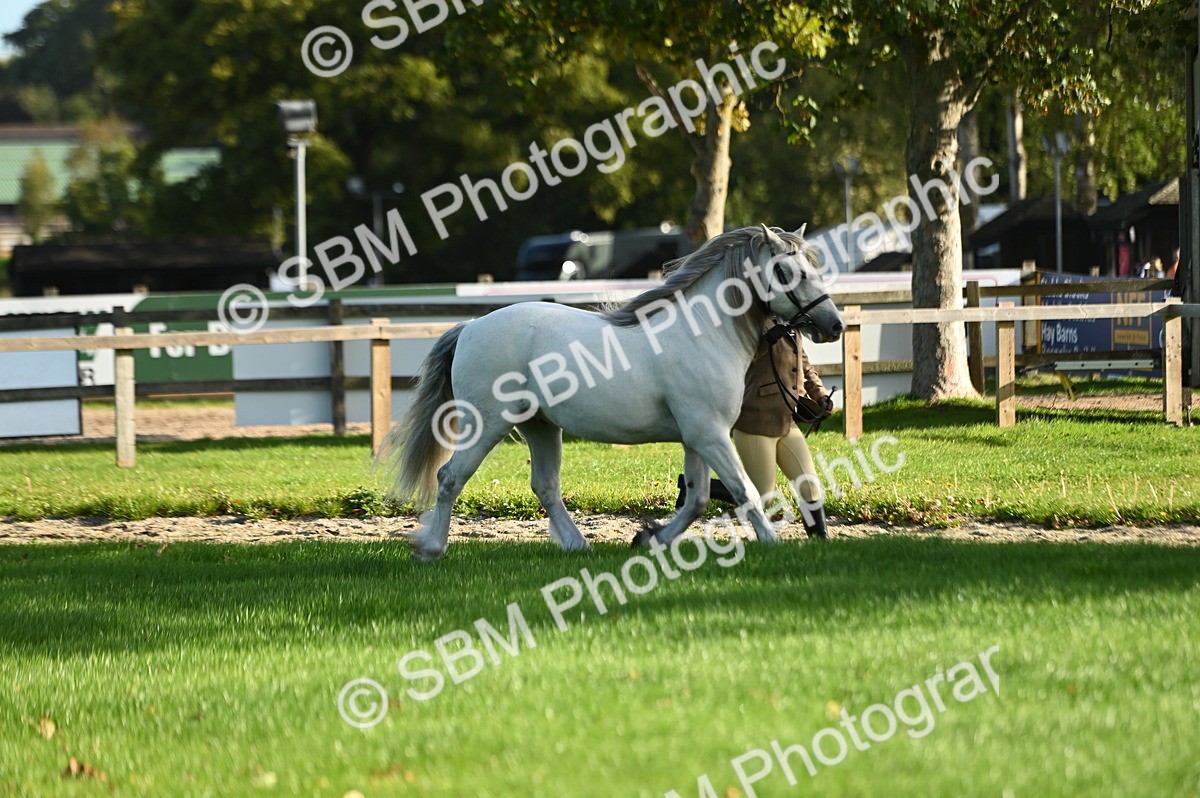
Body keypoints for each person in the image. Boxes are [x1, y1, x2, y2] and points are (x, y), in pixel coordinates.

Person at [675, 316, 834, 538]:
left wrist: (821, 394)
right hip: (755, 419)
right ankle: (693, 485)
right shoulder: (749, 321)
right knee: (762, 496)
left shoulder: (792, 324)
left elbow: (805, 365)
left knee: (809, 485)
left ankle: (821, 542)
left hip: (787, 419)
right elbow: (739, 356)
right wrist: (767, 338)